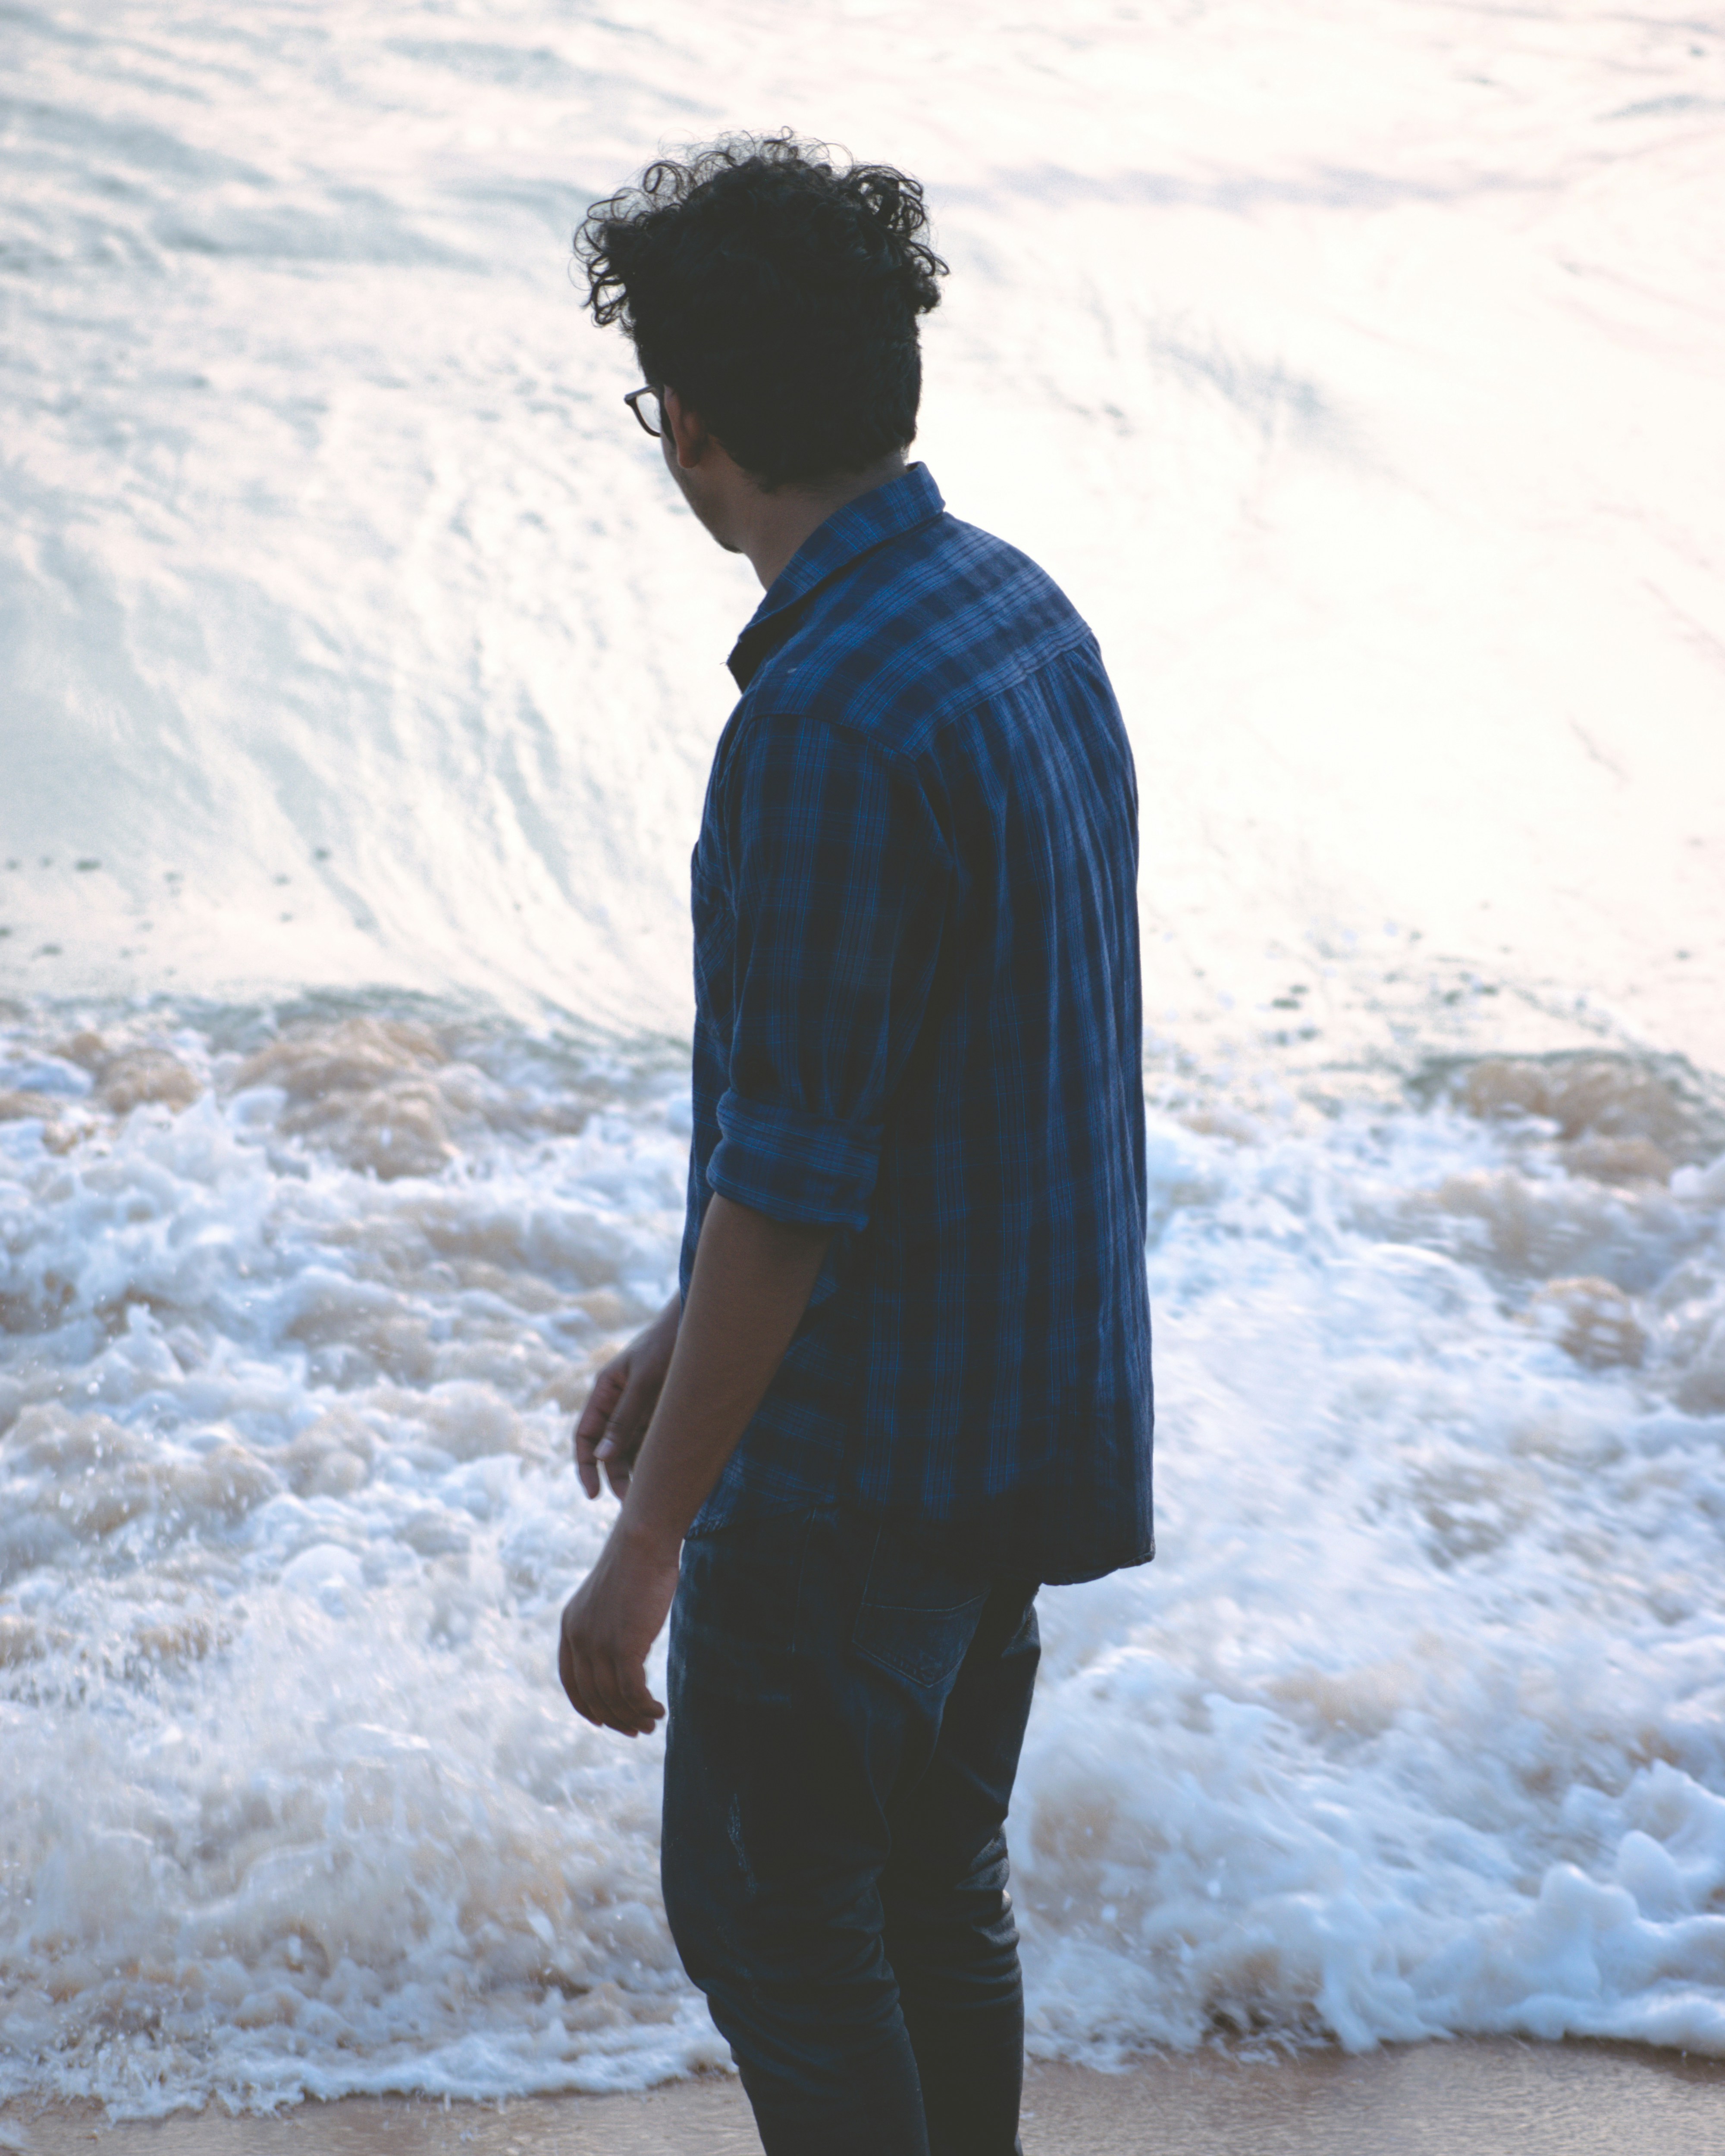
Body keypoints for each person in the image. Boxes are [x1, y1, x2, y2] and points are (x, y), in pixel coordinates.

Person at [557, 133, 1153, 2156]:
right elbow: (932, 1073)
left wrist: (648, 1539)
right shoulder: (1014, 616)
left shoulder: (818, 722)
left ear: (691, 425)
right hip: (1012, 1426)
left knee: (772, 1917)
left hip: (858, 1476)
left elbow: (797, 1179)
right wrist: (683, 1322)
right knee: (924, 1893)